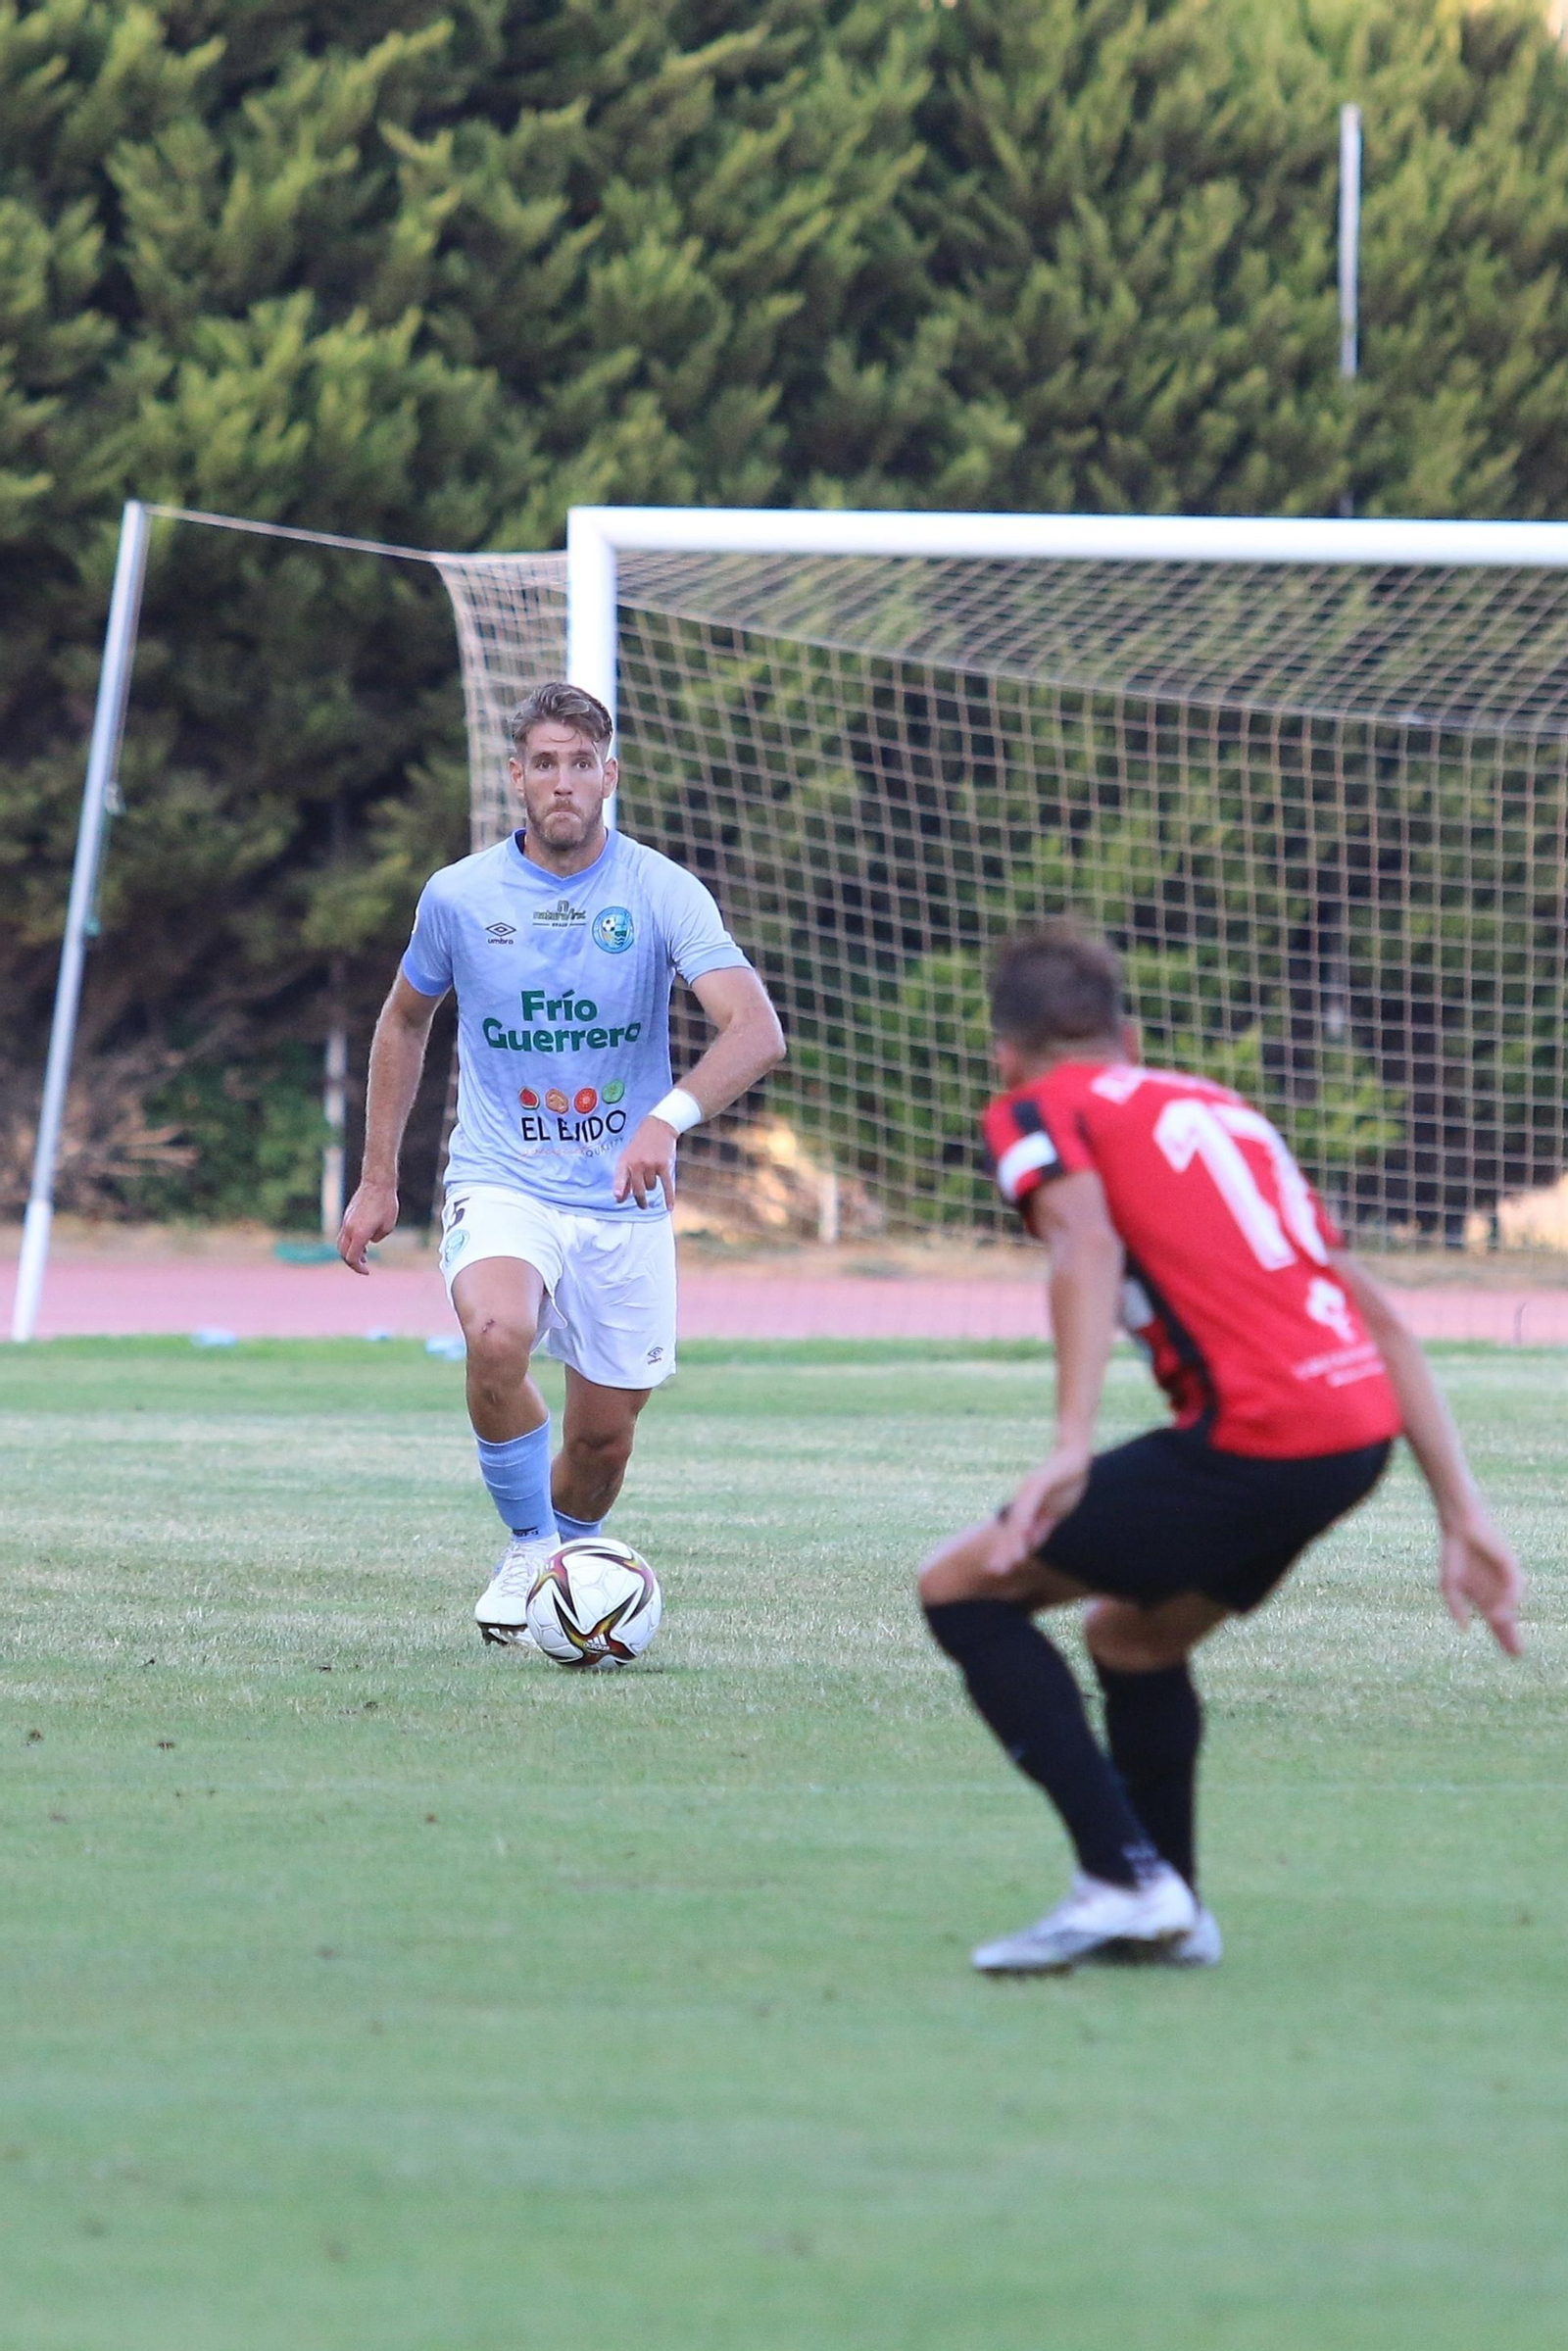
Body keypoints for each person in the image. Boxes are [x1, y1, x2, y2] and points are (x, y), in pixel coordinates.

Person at [919, 918, 1522, 1975]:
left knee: (960, 1587)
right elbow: (1380, 1316)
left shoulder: (1032, 1106)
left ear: (1002, 1050)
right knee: (1134, 1637)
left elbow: (1085, 1242)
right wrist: (1462, 1511)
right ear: (1130, 1036)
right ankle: (1174, 1908)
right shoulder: (1224, 1109)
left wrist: (1069, 1443)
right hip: (1355, 1434)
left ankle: (1121, 1877)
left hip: (1262, 1433)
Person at [338, 680, 785, 1642]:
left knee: (600, 1440)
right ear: (517, 777)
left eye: (582, 763)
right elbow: (404, 1019)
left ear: (609, 775)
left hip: (622, 1203)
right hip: (503, 1178)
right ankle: (531, 1548)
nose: (563, 782)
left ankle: (568, 1556)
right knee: (496, 1334)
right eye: (544, 762)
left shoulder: (661, 891)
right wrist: (379, 1176)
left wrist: (665, 1118)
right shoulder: (458, 896)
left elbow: (754, 1030)